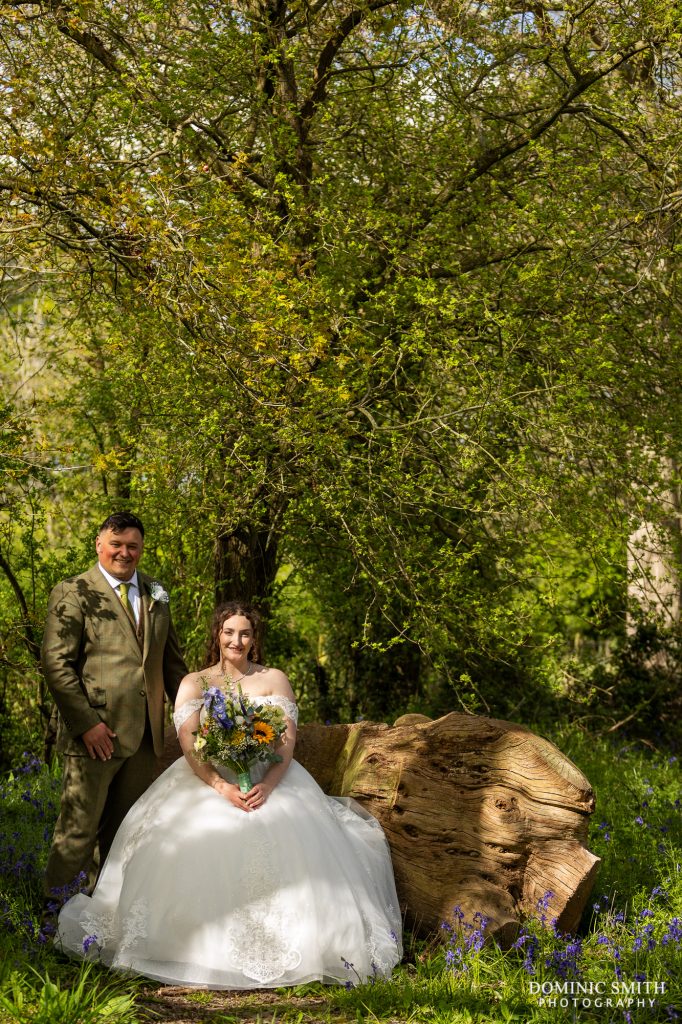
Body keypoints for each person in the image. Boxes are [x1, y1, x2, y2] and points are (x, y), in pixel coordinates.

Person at [56, 602, 403, 988]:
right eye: (229, 632)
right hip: (207, 781)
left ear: (254, 640)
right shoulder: (194, 683)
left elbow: (286, 743)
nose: (236, 640)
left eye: (245, 634)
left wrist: (267, 785)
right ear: (217, 636)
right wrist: (220, 785)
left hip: (271, 781)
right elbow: (191, 746)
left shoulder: (275, 679)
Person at [42, 511, 188, 910]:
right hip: (95, 735)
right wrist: (87, 724)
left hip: (144, 737)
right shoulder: (74, 592)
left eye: (133, 546)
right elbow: (56, 664)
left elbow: (171, 664)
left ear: (141, 549)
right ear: (99, 544)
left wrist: (195, 717)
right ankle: (53, 920)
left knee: (126, 833)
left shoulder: (157, 592)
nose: (125, 553)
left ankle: (106, 916)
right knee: (78, 832)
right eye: (116, 544)